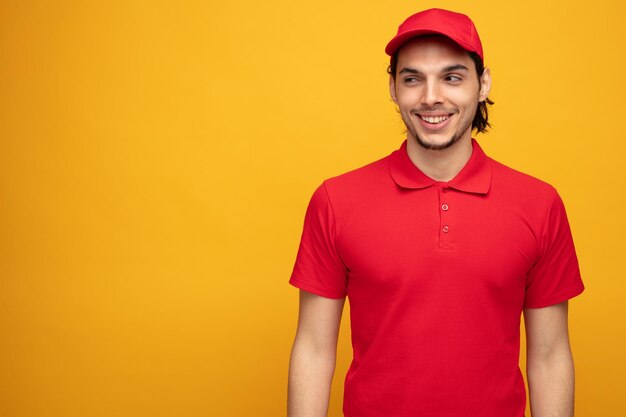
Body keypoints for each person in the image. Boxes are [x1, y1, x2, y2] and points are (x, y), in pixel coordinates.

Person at [287, 8, 584, 417]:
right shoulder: (336, 200)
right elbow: (314, 349)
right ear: (392, 88)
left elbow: (550, 354)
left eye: (452, 77)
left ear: (483, 84)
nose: (431, 97)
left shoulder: (539, 204)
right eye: (412, 79)